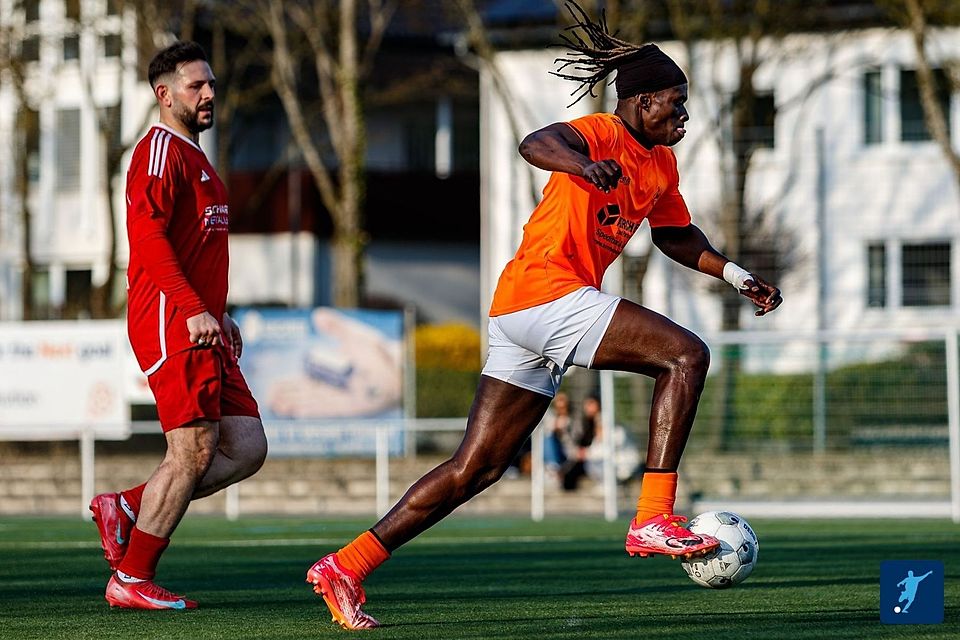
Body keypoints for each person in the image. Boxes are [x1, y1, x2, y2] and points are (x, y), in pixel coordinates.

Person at [305, 3, 782, 630]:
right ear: (640, 104)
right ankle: (652, 518)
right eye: (675, 101)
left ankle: (347, 565)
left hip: (523, 314)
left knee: (474, 469)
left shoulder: (661, 166)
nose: (684, 114)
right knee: (686, 354)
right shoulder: (601, 135)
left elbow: (676, 235)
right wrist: (583, 166)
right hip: (545, 294)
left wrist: (738, 276)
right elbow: (537, 143)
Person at [88, 41, 267, 610]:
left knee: (245, 447)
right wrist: (192, 308)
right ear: (164, 95)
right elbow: (148, 240)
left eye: (212, 83)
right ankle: (133, 578)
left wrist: (220, 310)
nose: (210, 93)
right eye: (197, 86)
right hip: (171, 320)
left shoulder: (197, 158)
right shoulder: (158, 152)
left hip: (202, 322)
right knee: (191, 450)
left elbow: (198, 250)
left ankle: (127, 506)